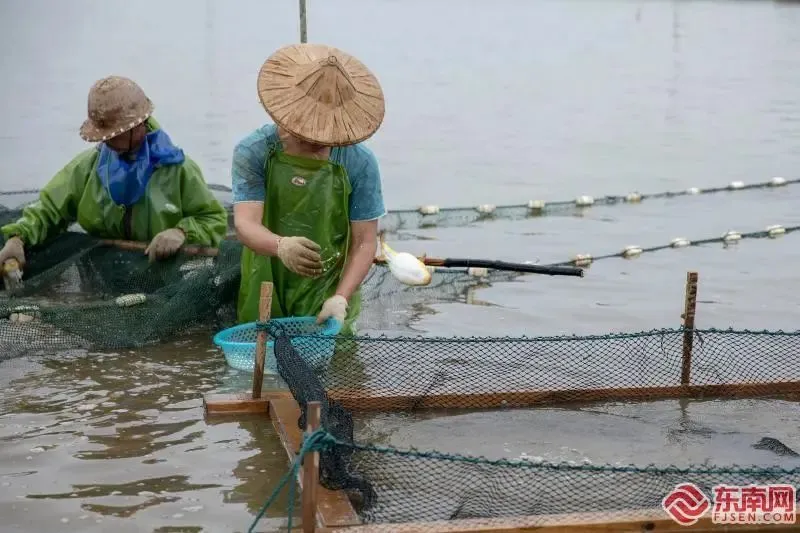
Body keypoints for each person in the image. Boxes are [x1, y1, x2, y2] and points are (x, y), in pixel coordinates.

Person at [232, 43, 387, 335]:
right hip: (266, 275)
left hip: (328, 281)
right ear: (286, 117)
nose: (316, 142)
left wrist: (341, 296)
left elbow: (365, 241)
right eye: (307, 135)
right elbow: (245, 223)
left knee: (338, 369)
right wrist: (280, 245)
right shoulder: (254, 152)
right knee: (261, 355)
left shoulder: (358, 162)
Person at [0, 75, 228, 270]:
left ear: (140, 125)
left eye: (113, 133)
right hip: (104, 271)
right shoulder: (87, 168)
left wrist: (181, 232)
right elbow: (48, 210)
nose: (107, 140)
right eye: (103, 134)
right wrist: (19, 237)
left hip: (165, 270)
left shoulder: (178, 169)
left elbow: (213, 219)